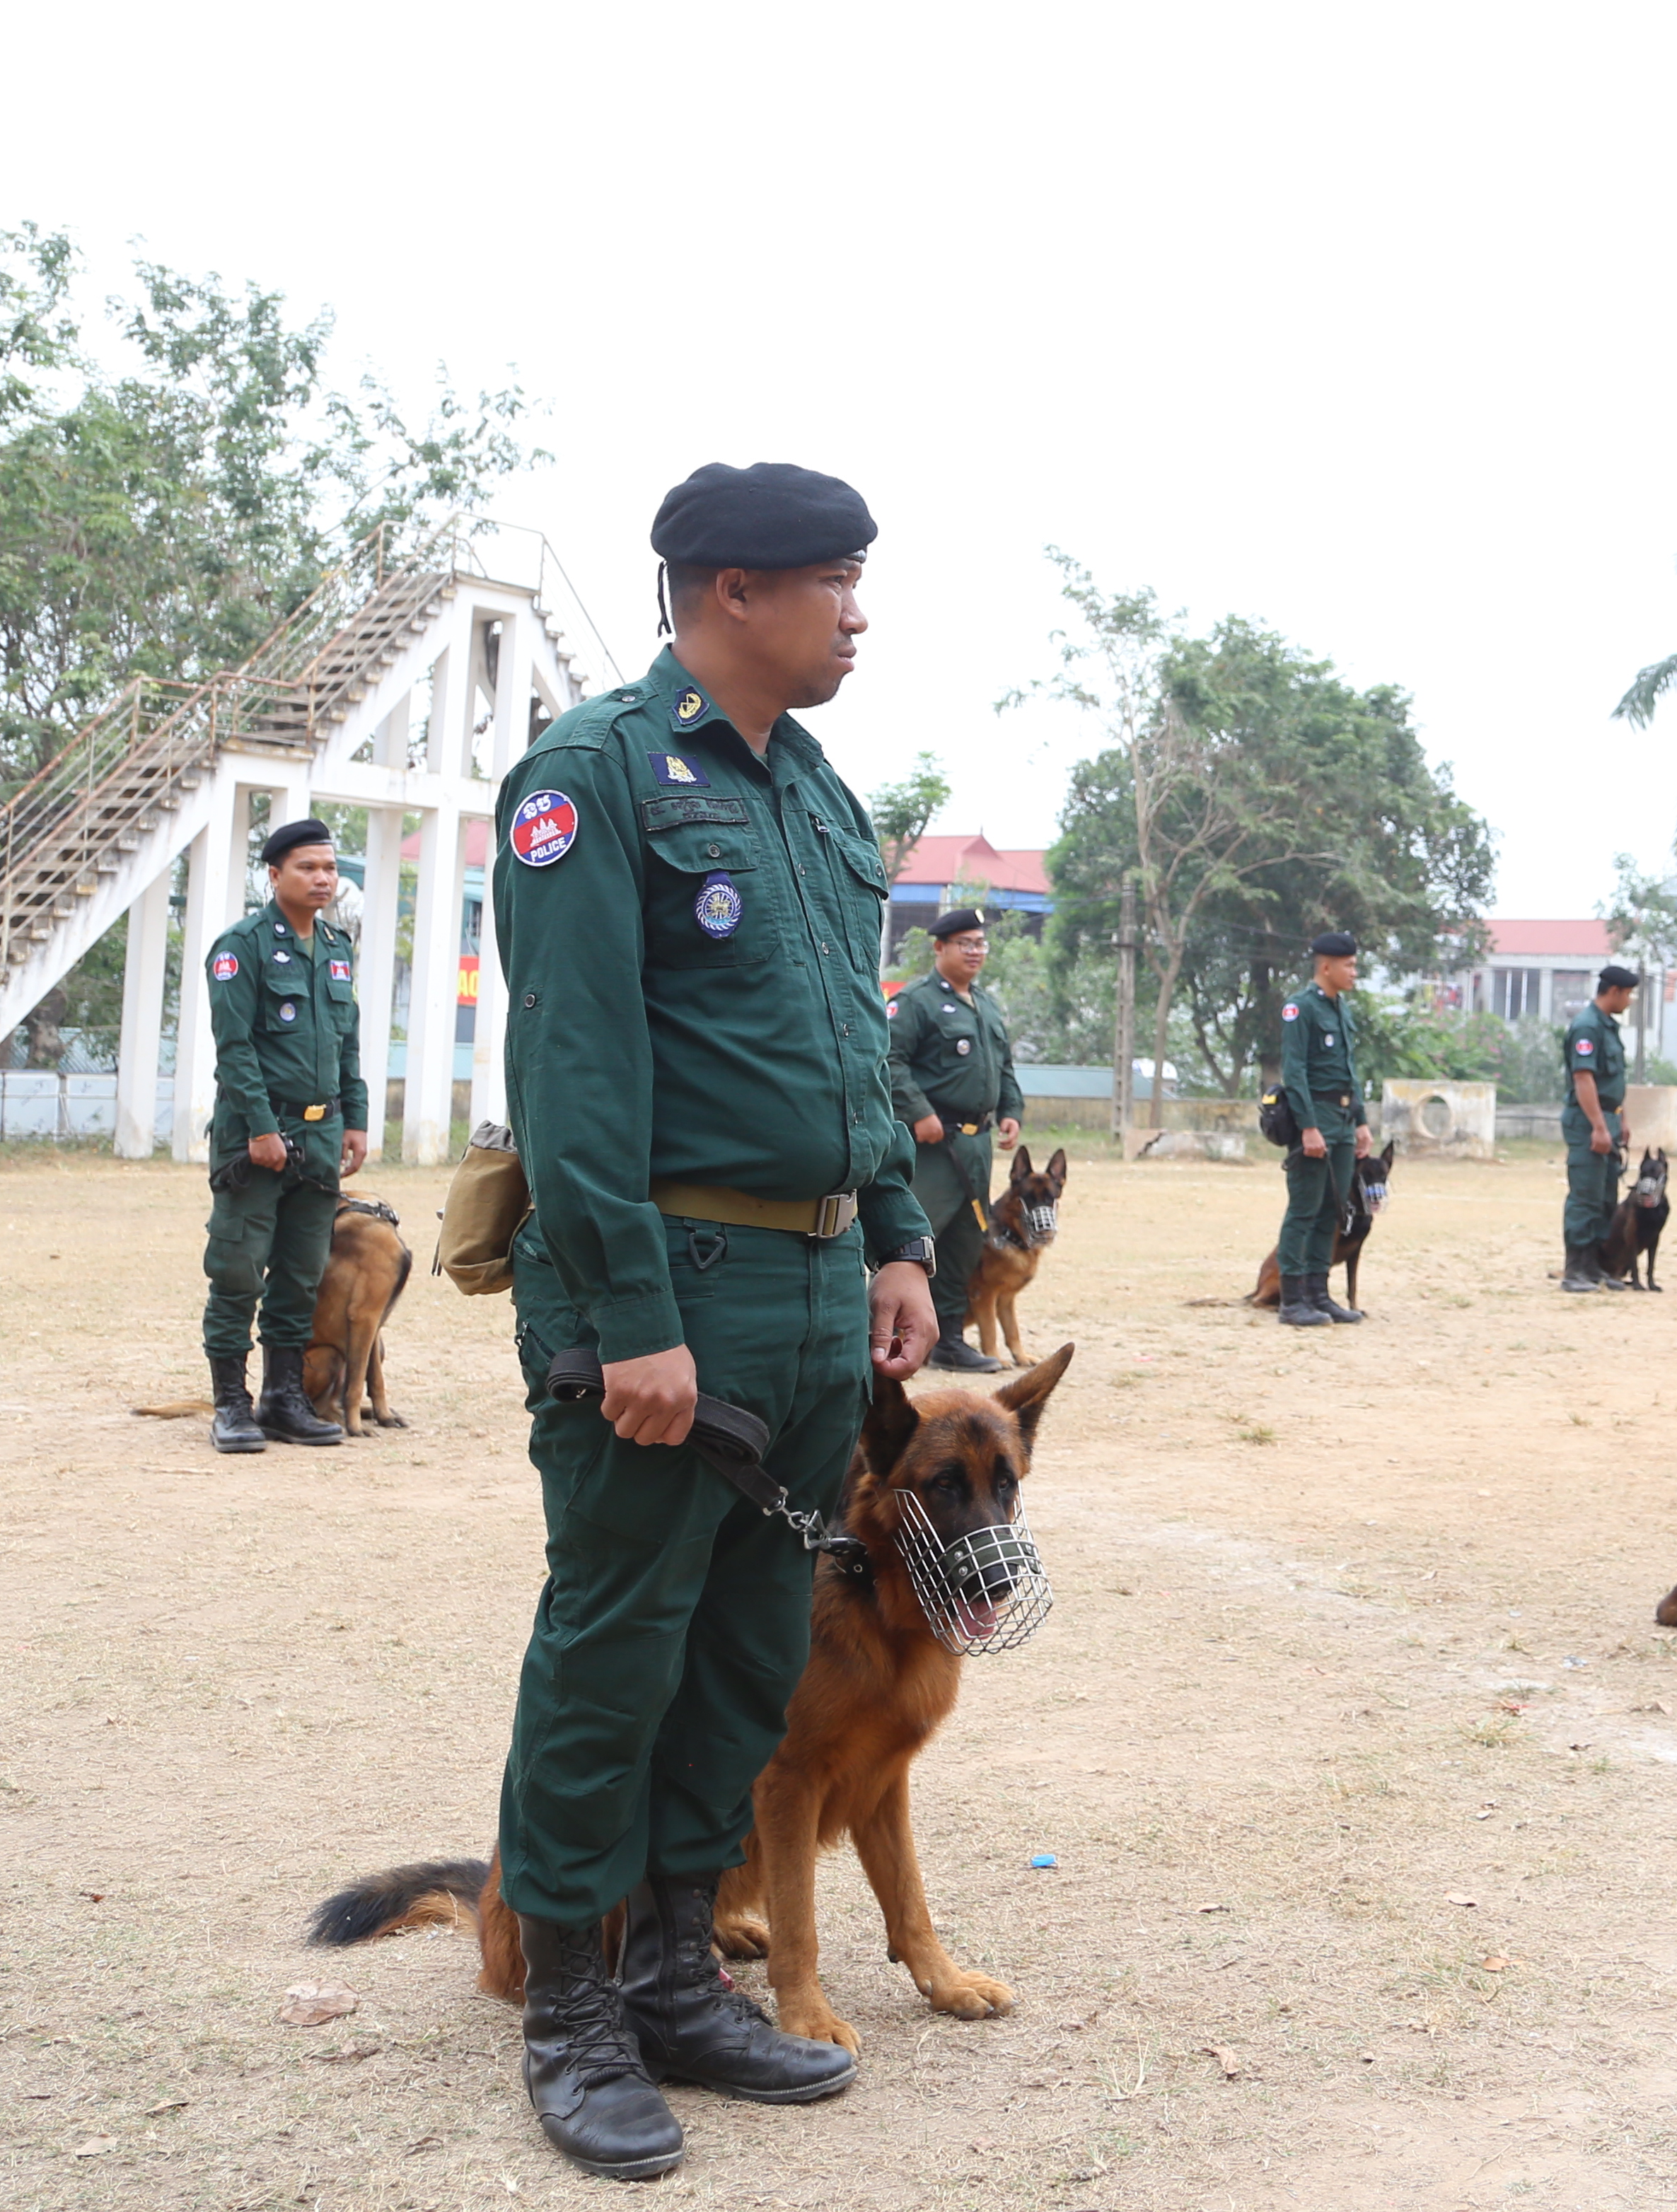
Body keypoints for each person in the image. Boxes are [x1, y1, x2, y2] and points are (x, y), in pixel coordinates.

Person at [487, 460, 940, 2179]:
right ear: (726, 590)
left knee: (750, 1653)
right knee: (616, 1647)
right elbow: (574, 1068)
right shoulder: (595, 774)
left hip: (818, 1292)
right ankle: (576, 2010)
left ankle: (680, 1972)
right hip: (673, 1291)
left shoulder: (817, 795)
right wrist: (625, 1316)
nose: (857, 610)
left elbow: (850, 1038)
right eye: (832, 578)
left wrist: (895, 1240)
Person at [195, 817, 371, 1453]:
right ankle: (231, 1404)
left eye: (330, 868)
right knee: (239, 1270)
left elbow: (347, 1043)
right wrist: (263, 1130)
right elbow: (234, 1050)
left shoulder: (337, 948)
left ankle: (283, 1399)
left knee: (300, 1274)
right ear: (273, 875)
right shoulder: (239, 947)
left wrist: (357, 1118)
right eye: (308, 868)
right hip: (257, 1137)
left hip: (322, 1139)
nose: (323, 879)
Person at [886, 906, 1026, 1369]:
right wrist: (918, 1112)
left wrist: (1010, 1111)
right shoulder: (916, 1002)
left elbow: (1003, 1067)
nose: (975, 952)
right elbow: (890, 1061)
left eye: (980, 943)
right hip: (932, 1143)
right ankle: (887, 1334)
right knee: (917, 1235)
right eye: (965, 943)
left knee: (966, 1241)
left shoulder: (986, 1004)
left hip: (976, 1142)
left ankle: (947, 1341)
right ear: (939, 947)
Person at [1272, 931, 1375, 1328]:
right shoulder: (1301, 1009)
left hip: (1344, 1122)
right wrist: (1309, 1127)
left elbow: (1350, 1070)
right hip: (1314, 1121)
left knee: (1333, 1209)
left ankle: (1319, 1294)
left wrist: (1362, 1120)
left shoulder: (1341, 1009)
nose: (1354, 971)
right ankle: (1292, 1298)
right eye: (1348, 965)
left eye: (1355, 963)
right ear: (1326, 967)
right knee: (1304, 1209)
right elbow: (1294, 1071)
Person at [1557, 964, 1640, 1291]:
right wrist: (1598, 1127)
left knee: (1607, 1195)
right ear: (1615, 992)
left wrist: (1622, 1120)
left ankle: (1596, 1267)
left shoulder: (1607, 1027)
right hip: (1588, 1120)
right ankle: (1575, 1269)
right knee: (1586, 1195)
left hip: (1609, 1117)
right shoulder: (1587, 1027)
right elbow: (1584, 1078)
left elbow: (1613, 1083)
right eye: (1628, 994)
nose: (1630, 1001)